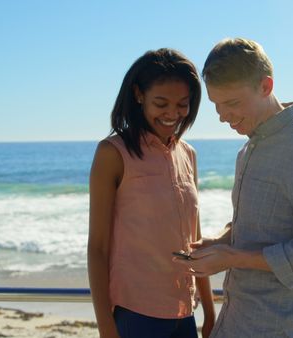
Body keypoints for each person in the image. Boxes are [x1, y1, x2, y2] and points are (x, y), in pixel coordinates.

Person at [173, 38, 293, 337]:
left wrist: (233, 258)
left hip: (280, 327)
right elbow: (262, 225)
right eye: (216, 105)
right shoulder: (249, 148)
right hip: (238, 321)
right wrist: (219, 242)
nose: (223, 116)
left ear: (265, 87)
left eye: (232, 103)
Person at [88, 48, 215, 338]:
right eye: (161, 103)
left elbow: (194, 241)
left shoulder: (189, 154)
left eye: (183, 104)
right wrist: (106, 328)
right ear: (138, 95)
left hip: (185, 314)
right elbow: (98, 248)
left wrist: (208, 310)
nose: (173, 114)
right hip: (135, 315)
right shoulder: (112, 153)